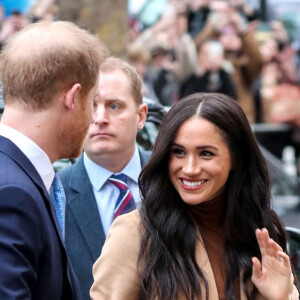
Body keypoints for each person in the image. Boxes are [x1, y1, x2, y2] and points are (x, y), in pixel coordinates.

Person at [90, 92, 299, 299]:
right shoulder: (134, 233)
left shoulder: (260, 231)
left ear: (236, 158)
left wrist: (280, 298)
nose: (189, 169)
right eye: (179, 152)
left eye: (205, 153)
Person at [0, 20, 108, 299]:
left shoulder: (18, 177)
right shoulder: (13, 193)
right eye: (93, 101)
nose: (96, 118)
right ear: (73, 98)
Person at [58, 57, 150, 300]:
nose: (99, 118)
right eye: (91, 106)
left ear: (141, 116)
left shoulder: (173, 178)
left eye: (114, 106)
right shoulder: (54, 193)